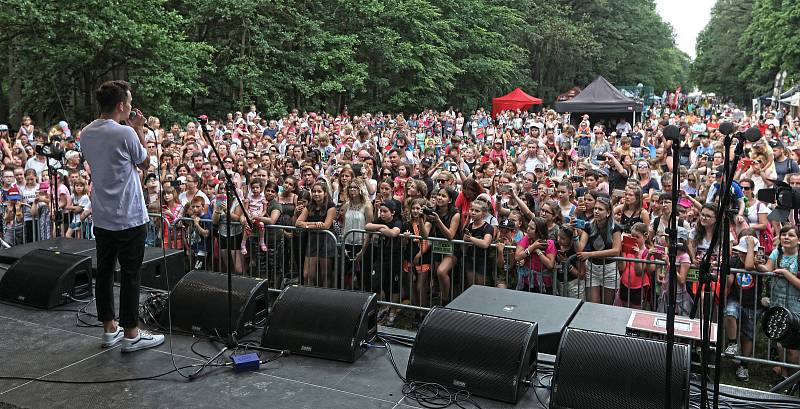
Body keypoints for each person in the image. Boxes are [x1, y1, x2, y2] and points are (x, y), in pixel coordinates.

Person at [80, 80, 164, 352]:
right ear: (120, 106)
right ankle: (131, 333)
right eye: (128, 103)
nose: (131, 107)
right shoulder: (125, 133)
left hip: (102, 215)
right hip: (128, 215)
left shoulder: (86, 132)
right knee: (130, 274)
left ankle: (109, 329)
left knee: (103, 273)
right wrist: (138, 129)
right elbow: (144, 163)